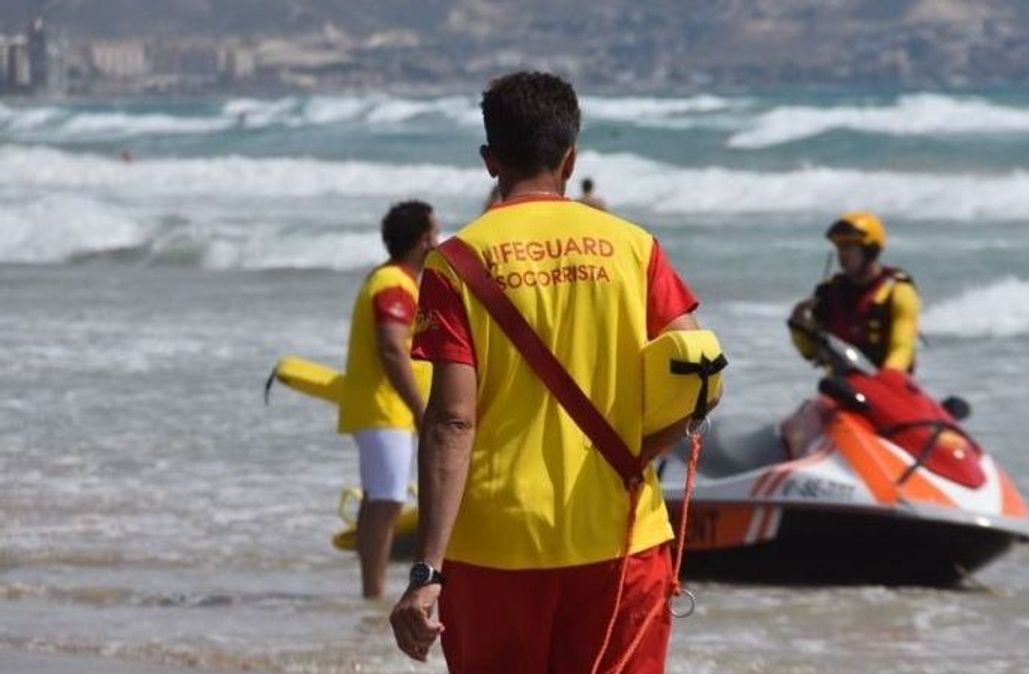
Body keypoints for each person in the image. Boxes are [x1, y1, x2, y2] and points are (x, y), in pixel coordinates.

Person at [390, 71, 710, 673]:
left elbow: (452, 422)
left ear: (490, 160)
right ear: (571, 157)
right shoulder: (635, 247)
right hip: (623, 541)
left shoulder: (455, 262)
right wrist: (638, 456)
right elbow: (699, 378)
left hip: (496, 549)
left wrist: (427, 572)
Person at [338, 201, 439, 599]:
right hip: (386, 407)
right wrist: (418, 407)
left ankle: (371, 590)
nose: (438, 241)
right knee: (387, 502)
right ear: (422, 240)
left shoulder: (388, 279)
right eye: (434, 233)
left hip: (381, 406)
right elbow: (393, 348)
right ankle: (374, 592)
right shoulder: (394, 284)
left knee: (378, 500)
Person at [788, 211, 920, 372]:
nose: (842, 255)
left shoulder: (898, 292)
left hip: (887, 388)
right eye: (839, 248)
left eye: (849, 247)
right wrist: (798, 324)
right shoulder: (829, 292)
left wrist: (885, 380)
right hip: (841, 388)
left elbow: (902, 349)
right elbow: (811, 352)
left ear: (869, 250)